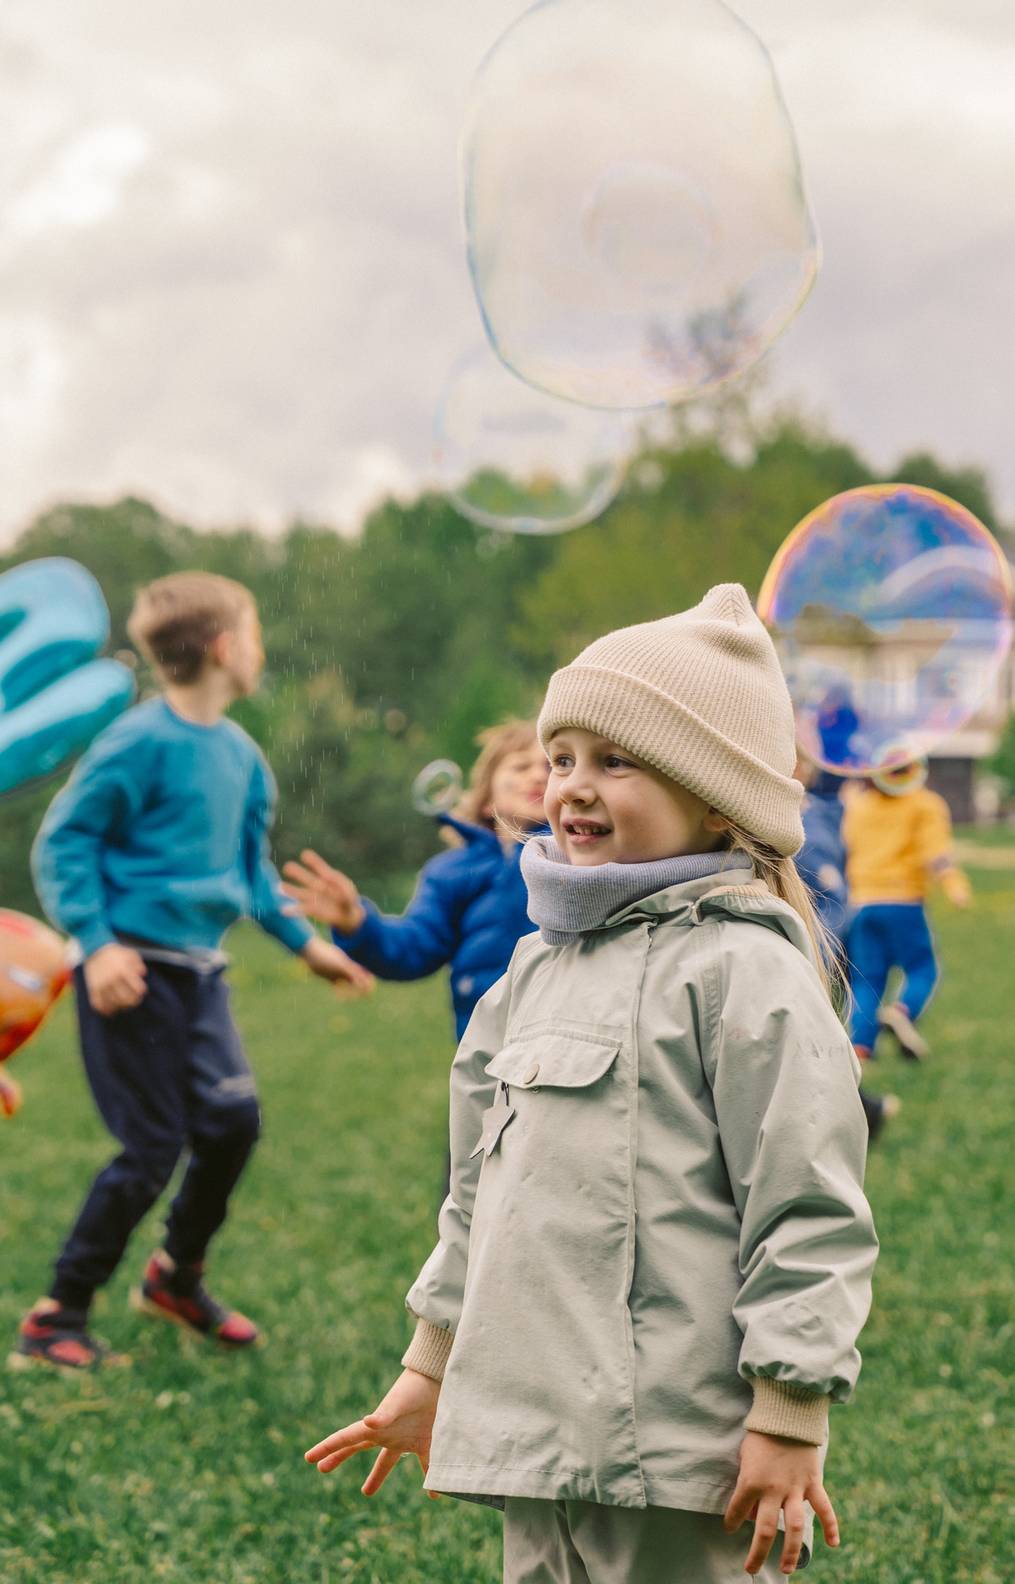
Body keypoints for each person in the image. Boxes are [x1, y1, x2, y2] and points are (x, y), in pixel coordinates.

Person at [308, 585, 878, 1582]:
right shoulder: (536, 967)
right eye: (562, 757)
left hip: (676, 1452)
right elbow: (477, 1197)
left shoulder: (743, 970)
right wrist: (427, 1364)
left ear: (714, 793)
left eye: (615, 760)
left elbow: (806, 1208)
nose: (571, 784)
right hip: (536, 1439)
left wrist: (789, 1411)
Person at [12, 572, 375, 1371]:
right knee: (151, 1148)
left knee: (232, 1123)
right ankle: (55, 1315)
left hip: (199, 976)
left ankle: (177, 1276)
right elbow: (64, 842)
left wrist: (308, 945)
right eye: (252, 632)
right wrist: (97, 942)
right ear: (223, 648)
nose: (258, 649)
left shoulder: (242, 759)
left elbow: (251, 873)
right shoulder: (138, 741)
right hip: (128, 973)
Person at [282, 720, 544, 1044]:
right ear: (486, 798)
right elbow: (413, 948)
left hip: (564, 1034)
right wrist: (357, 922)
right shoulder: (451, 871)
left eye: (554, 766)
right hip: (487, 1047)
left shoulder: (574, 858)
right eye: (521, 766)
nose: (539, 775)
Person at [840, 752, 972, 1062]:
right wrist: (955, 886)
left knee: (867, 979)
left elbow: (848, 846)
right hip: (904, 902)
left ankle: (861, 1049)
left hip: (862, 904)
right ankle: (902, 1012)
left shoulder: (860, 805)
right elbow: (936, 852)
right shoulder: (925, 803)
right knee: (922, 968)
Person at [797, 751, 899, 1144]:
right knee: (809, 1047)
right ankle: (861, 1111)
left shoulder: (821, 813)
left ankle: (859, 1111)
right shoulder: (795, 825)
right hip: (813, 952)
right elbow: (829, 898)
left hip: (829, 949)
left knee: (816, 1047)